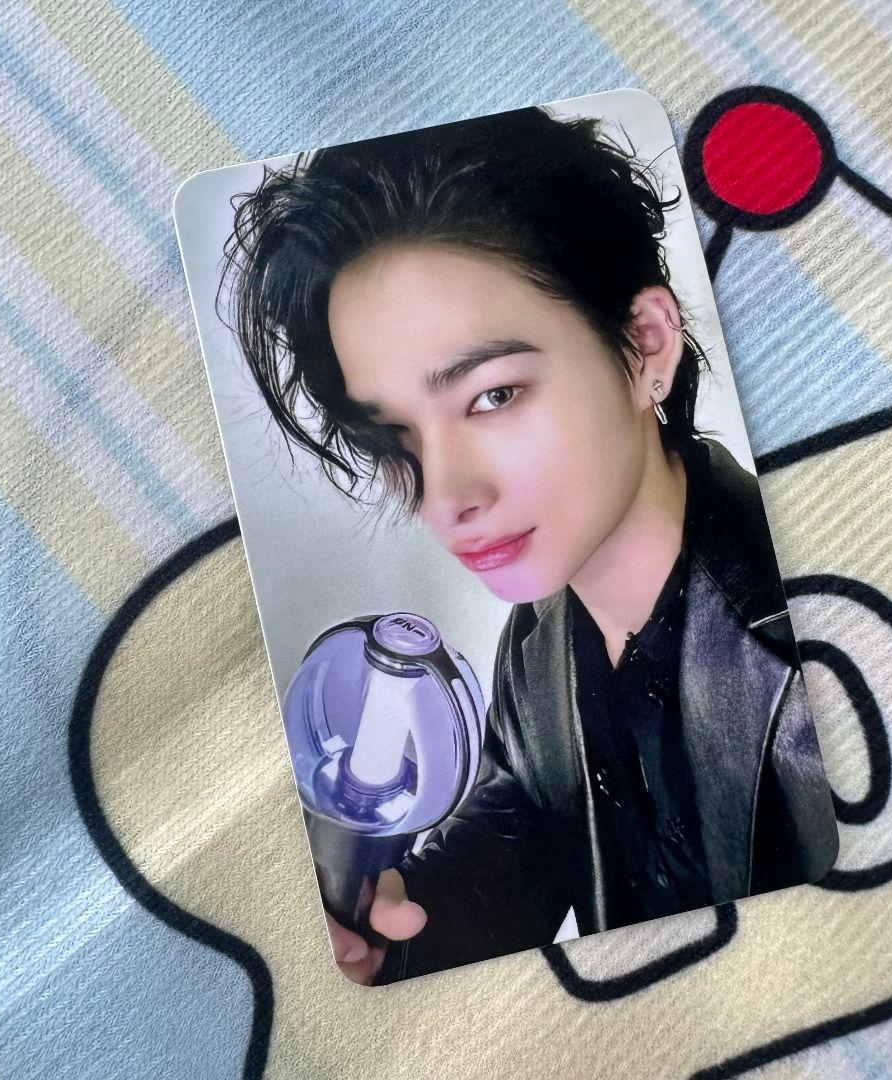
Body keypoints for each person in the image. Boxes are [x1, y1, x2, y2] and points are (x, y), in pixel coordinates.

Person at [217, 105, 838, 985]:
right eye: (394, 436)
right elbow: (520, 834)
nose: (446, 496)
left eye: (494, 396)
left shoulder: (814, 623)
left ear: (645, 346)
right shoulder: (536, 646)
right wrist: (397, 920)